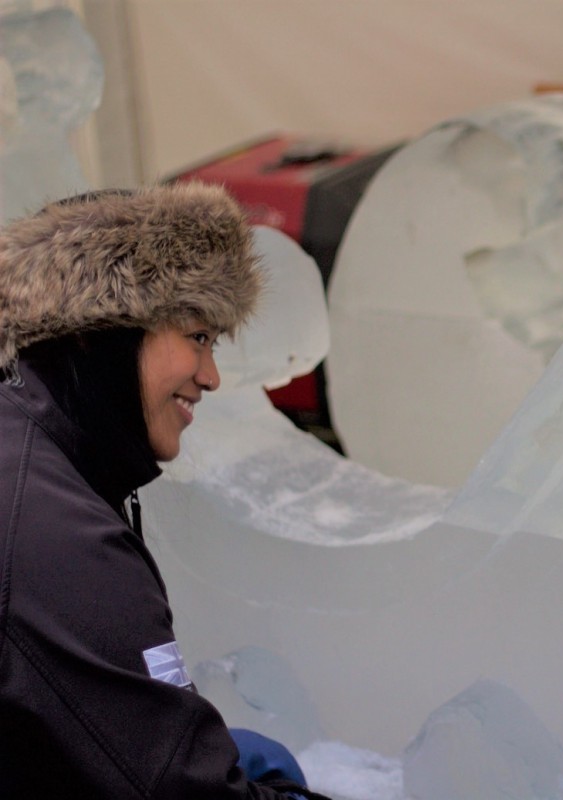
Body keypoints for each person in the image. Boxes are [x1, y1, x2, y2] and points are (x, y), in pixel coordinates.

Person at [0, 185, 328, 798]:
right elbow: (180, 788)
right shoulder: (57, 535)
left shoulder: (30, 446)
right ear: (105, 328)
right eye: (198, 336)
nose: (210, 376)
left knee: (259, 756)